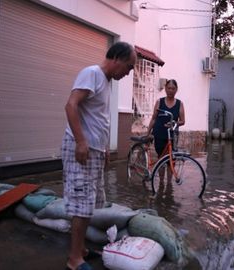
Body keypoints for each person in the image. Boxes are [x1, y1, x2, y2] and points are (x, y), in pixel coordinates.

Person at [61, 41, 136, 270]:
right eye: (129, 66)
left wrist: (103, 149)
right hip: (80, 150)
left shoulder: (105, 81)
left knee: (89, 204)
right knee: (81, 204)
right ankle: (74, 260)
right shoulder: (92, 73)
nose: (128, 72)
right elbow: (71, 106)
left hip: (93, 150)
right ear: (116, 59)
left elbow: (97, 118)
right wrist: (82, 142)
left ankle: (81, 249)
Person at [147, 79, 185, 157]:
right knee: (161, 159)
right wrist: (148, 134)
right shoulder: (159, 102)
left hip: (172, 136)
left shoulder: (179, 104)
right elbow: (154, 118)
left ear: (176, 89)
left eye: (173, 88)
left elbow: (183, 121)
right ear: (165, 89)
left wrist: (174, 123)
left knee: (171, 160)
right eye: (169, 88)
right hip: (159, 134)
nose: (170, 90)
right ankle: (159, 169)